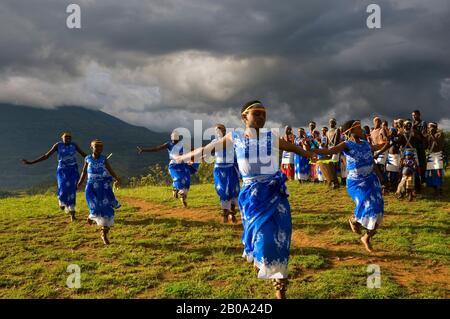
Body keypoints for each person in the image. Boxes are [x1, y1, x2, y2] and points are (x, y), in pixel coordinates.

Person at [173, 100, 314, 299]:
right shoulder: (235, 136)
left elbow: (295, 149)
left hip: (276, 193)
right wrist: (183, 157)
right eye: (256, 113)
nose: (261, 117)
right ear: (244, 117)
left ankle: (280, 286)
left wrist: (312, 154)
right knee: (263, 240)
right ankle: (261, 260)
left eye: (263, 114)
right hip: (253, 197)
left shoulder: (271, 136)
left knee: (281, 237)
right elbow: (209, 148)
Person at [311, 120, 385, 253]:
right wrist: (311, 149)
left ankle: (366, 237)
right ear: (350, 132)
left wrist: (381, 177)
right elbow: (329, 150)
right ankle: (354, 219)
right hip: (357, 182)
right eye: (358, 128)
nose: (361, 130)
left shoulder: (366, 144)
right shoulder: (346, 144)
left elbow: (372, 159)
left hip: (371, 180)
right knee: (369, 205)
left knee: (378, 211)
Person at [22, 132, 87, 222]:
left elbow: (84, 155)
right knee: (63, 188)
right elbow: (46, 156)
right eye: (65, 138)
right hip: (62, 171)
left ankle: (72, 214)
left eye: (69, 138)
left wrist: (95, 159)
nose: (68, 139)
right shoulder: (58, 145)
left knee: (72, 191)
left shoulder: (74, 145)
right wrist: (31, 162)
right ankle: (61, 200)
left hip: (73, 171)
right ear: (62, 138)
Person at [77, 140, 121, 244]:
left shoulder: (104, 159)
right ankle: (91, 215)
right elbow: (84, 171)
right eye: (97, 147)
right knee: (95, 206)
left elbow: (110, 170)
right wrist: (80, 182)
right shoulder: (87, 159)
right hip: (91, 186)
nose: (99, 150)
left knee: (106, 209)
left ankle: (104, 233)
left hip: (103, 186)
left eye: (101, 148)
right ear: (92, 148)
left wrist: (116, 178)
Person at [137, 131, 191, 207]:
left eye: (175, 138)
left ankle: (181, 198)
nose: (174, 140)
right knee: (178, 178)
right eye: (173, 138)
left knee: (186, 182)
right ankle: (178, 190)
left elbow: (193, 151)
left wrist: (202, 153)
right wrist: (144, 150)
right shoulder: (168, 144)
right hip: (174, 166)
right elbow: (157, 149)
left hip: (183, 165)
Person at [211, 124, 241, 223]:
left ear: (225, 131)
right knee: (223, 191)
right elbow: (207, 151)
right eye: (217, 130)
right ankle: (225, 213)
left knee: (233, 191)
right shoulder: (214, 142)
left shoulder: (231, 141)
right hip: (219, 170)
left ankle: (232, 214)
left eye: (222, 129)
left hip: (231, 169)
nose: (219, 132)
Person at [375, 128, 406, 192]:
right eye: (390, 132)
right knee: (389, 172)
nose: (390, 133)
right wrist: (378, 153)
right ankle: (390, 186)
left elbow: (397, 143)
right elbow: (385, 147)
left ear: (394, 132)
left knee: (395, 172)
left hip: (396, 157)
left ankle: (394, 186)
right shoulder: (389, 140)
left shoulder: (397, 139)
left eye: (392, 132)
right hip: (390, 157)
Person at [425, 122, 445, 196]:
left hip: (438, 156)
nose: (429, 128)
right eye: (428, 127)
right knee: (431, 173)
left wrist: (432, 135)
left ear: (435, 127)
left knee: (438, 173)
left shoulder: (440, 134)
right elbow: (426, 146)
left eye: (430, 127)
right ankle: (435, 190)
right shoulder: (428, 135)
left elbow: (438, 145)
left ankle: (440, 190)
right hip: (430, 156)